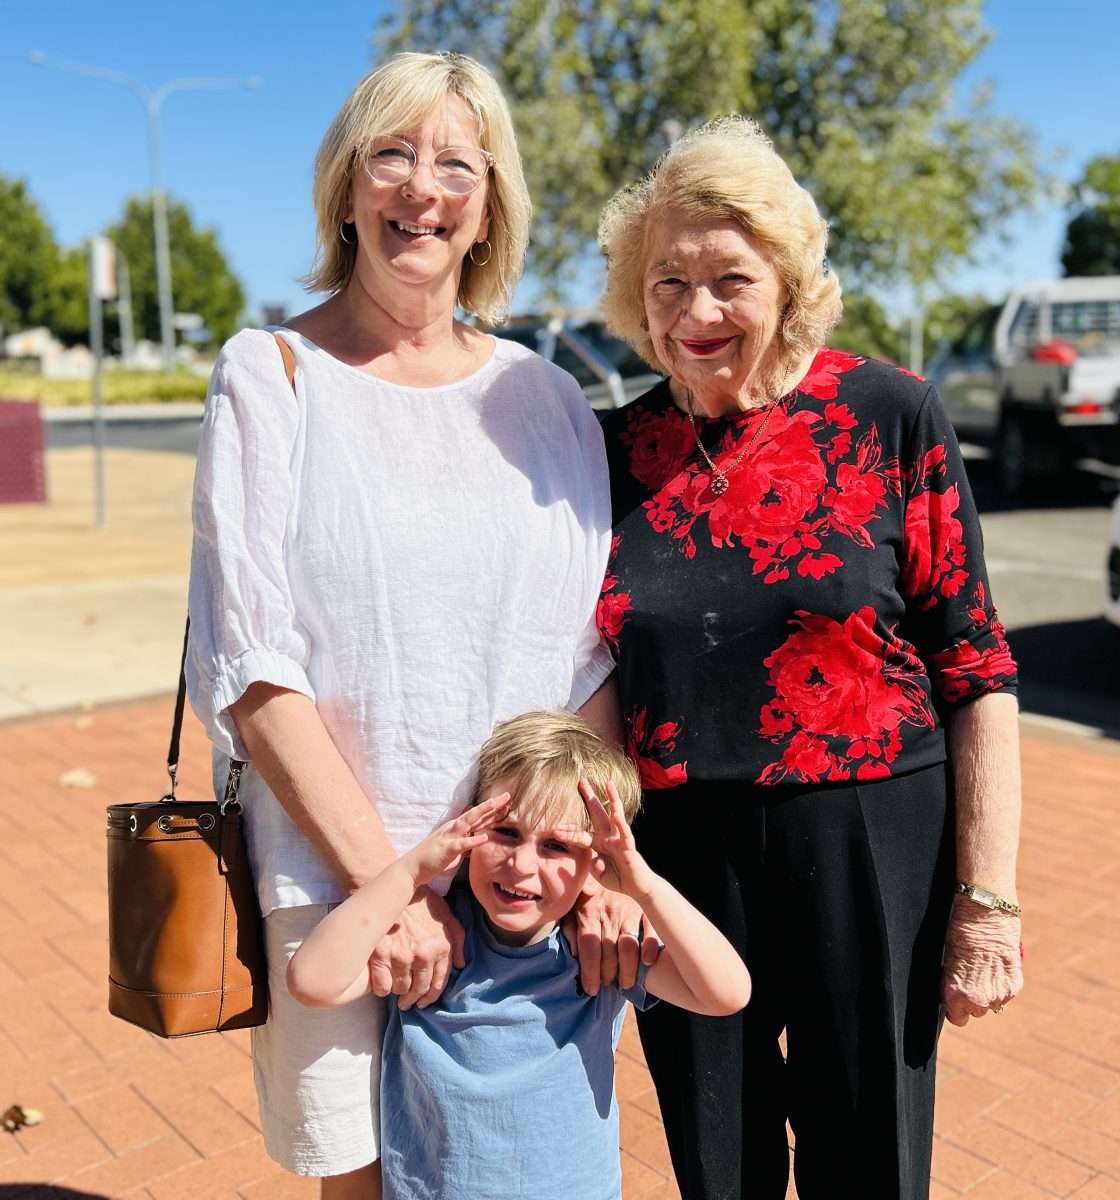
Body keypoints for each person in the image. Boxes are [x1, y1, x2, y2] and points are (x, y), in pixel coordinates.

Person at [186, 52, 642, 1200]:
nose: (419, 186)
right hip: (339, 894)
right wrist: (391, 888)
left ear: (489, 204)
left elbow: (588, 662)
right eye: (391, 154)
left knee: (521, 1169)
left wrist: (586, 869)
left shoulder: (544, 399)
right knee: (366, 1183)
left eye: (454, 162)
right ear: (348, 187)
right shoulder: (271, 376)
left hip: (524, 893)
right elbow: (250, 668)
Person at [595, 116, 1024, 1199]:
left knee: (868, 1156)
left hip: (874, 841)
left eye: (729, 278)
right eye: (667, 281)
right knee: (716, 1162)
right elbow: (582, 672)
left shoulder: (888, 412)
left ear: (787, 280)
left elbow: (978, 672)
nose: (696, 313)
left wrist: (989, 901)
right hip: (682, 856)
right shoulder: (614, 450)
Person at [287, 710, 751, 1200]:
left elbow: (726, 993)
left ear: (597, 863)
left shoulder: (595, 949)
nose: (521, 864)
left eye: (556, 846)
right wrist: (405, 875)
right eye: (505, 832)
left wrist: (644, 886)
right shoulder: (438, 940)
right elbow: (313, 981)